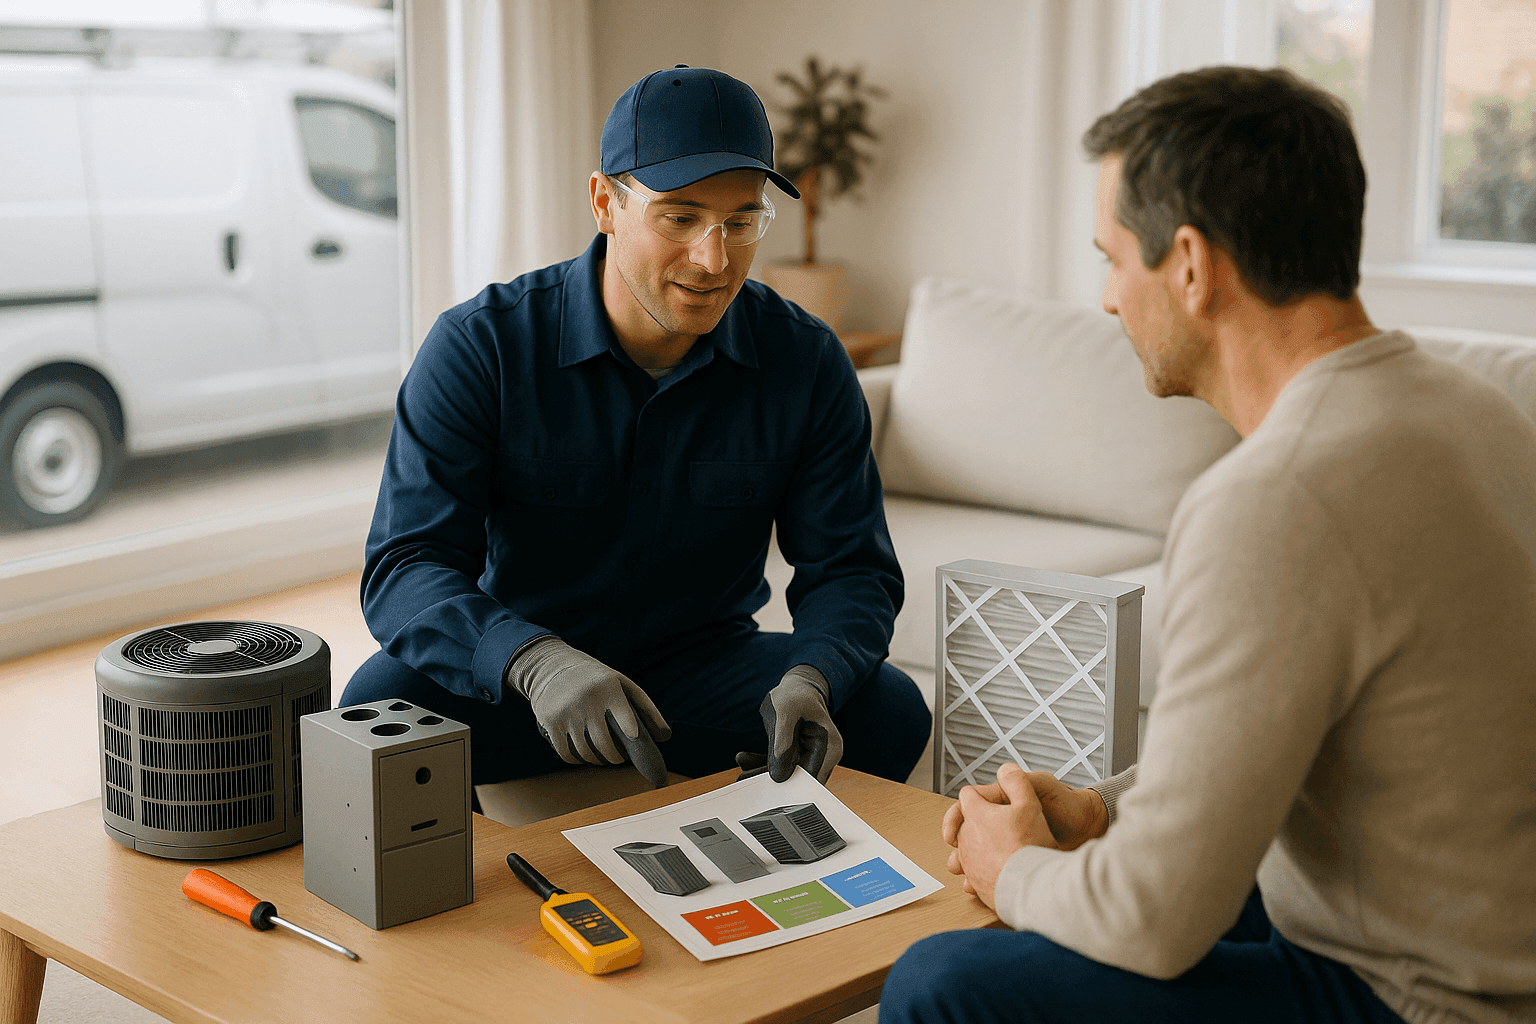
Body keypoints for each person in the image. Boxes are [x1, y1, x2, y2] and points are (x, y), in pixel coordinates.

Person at [879, 66, 1536, 1024]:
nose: (1109, 300)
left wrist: (1009, 867)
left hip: (1417, 999)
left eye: (1113, 259)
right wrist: (1105, 813)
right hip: (1478, 941)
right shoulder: (1481, 413)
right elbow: (1298, 727)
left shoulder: (1276, 500)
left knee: (940, 985)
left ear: (1189, 265)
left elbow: (1152, 922)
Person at [341, 65, 929, 791]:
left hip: (702, 671)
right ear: (605, 203)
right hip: (524, 679)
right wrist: (533, 661)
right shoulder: (481, 346)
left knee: (887, 710)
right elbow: (406, 565)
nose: (713, 260)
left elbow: (851, 569)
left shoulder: (806, 360)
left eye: (740, 222)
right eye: (679, 218)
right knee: (378, 709)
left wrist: (815, 675)